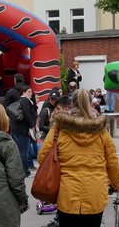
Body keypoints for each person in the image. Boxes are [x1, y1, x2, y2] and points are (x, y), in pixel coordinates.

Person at [37, 89, 119, 226]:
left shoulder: (60, 128)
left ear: (72, 103)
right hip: (95, 192)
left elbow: (43, 156)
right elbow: (112, 161)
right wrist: (117, 185)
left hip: (67, 192)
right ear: (91, 103)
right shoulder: (100, 129)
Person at [41, 95, 71, 227]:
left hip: (65, 179)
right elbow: (109, 158)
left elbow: (43, 154)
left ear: (67, 109)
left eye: (58, 109)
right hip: (92, 188)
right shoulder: (94, 128)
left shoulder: (58, 128)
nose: (55, 112)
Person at [11, 85, 37, 177]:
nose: (31, 93)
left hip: (17, 130)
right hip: (23, 130)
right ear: (24, 93)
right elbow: (27, 114)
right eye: (29, 92)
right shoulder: (25, 101)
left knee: (19, 152)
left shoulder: (20, 101)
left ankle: (19, 171)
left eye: (31, 92)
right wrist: (32, 125)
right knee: (24, 152)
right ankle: (25, 171)